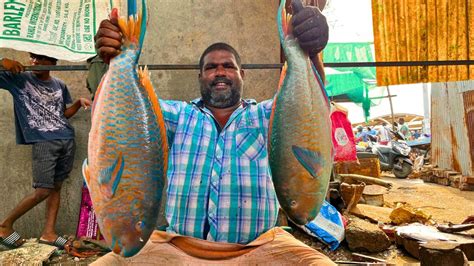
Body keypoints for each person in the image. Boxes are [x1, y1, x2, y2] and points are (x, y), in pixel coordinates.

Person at [91, 1, 335, 265]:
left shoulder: (266, 116)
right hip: (176, 248)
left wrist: (311, 54)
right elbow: (123, 116)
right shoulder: (178, 116)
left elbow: (307, 111)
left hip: (259, 247)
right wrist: (110, 60)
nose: (220, 72)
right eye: (211, 67)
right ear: (199, 76)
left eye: (228, 66)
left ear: (242, 75)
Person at [0, 53, 91, 249]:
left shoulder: (59, 84)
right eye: (33, 58)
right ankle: (4, 225)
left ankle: (48, 233)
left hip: (66, 139)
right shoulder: (19, 79)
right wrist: (2, 62)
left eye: (41, 59)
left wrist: (77, 103)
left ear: (52, 62)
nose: (35, 62)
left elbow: (63, 114)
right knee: (42, 190)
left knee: (56, 187)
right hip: (43, 142)